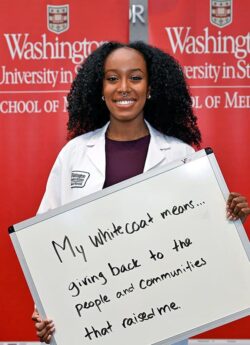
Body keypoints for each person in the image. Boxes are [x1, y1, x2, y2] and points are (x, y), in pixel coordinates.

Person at [31, 41, 250, 343]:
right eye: (112, 78)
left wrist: (231, 215)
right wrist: (45, 307)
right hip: (94, 322)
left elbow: (203, 236)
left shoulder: (179, 155)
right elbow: (45, 243)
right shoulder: (74, 155)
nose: (123, 87)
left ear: (150, 88)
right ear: (101, 88)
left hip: (165, 319)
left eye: (135, 78)